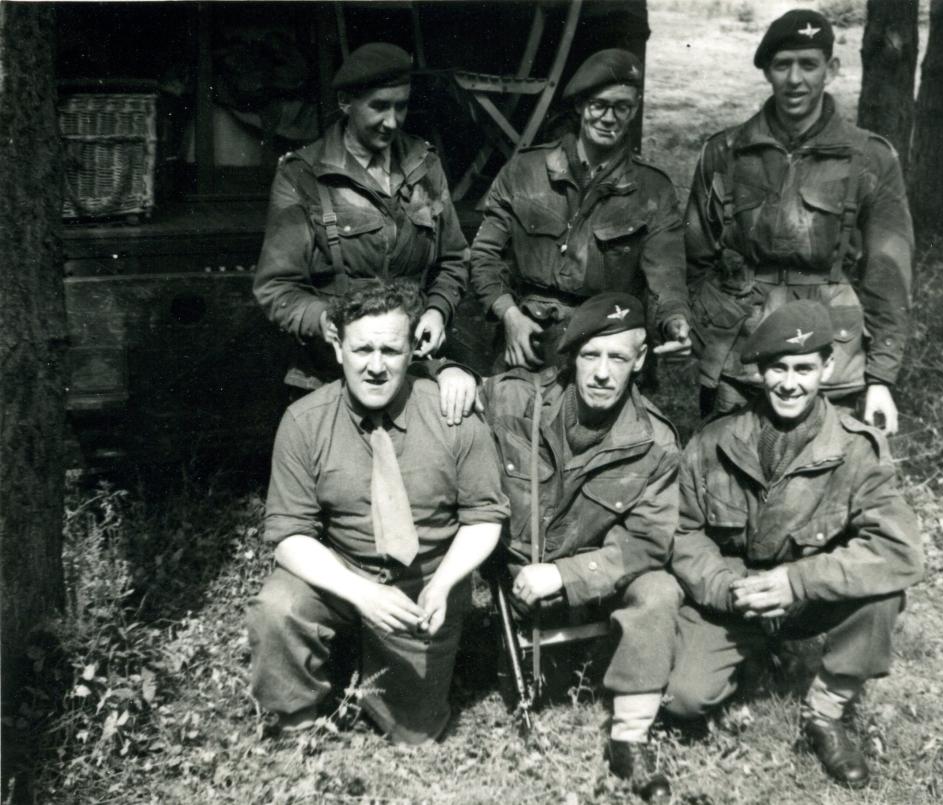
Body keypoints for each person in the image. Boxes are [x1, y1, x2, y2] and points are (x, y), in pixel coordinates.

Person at [663, 300, 924, 788]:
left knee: (883, 592)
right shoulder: (713, 441)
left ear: (827, 367)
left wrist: (797, 582)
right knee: (684, 700)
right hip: (735, 598)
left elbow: (899, 550)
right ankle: (756, 657)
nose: (789, 383)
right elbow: (681, 529)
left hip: (808, 602)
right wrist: (725, 586)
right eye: (777, 368)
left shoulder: (856, 447)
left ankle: (825, 713)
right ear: (760, 371)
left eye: (804, 368)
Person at [440, 292, 683, 801]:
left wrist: (566, 576)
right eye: (590, 355)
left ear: (640, 360)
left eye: (617, 358)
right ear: (571, 356)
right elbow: (443, 405)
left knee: (659, 589)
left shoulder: (655, 441)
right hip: (509, 562)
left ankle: (630, 739)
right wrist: (448, 371)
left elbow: (647, 539)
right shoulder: (514, 399)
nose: (601, 372)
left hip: (592, 575)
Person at [247, 280, 509, 745]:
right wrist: (362, 593)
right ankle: (296, 718)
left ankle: (370, 668)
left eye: (390, 350)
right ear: (338, 348)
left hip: (424, 583)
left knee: (415, 734)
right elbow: (290, 535)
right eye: (362, 348)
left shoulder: (455, 415)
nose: (375, 366)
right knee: (279, 606)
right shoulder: (305, 421)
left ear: (413, 351)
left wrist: (446, 583)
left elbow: (484, 517)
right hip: (343, 574)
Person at [683, 9, 914, 433]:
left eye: (808, 64)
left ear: (832, 69)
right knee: (727, 478)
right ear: (767, 72)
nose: (794, 80)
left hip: (830, 364)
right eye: (782, 65)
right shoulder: (725, 152)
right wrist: (708, 336)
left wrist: (881, 378)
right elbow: (695, 258)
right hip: (740, 358)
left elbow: (889, 273)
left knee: (821, 482)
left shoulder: (870, 158)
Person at [253, 42, 470, 394]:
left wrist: (437, 310)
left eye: (401, 106)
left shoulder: (424, 165)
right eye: (379, 107)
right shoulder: (304, 176)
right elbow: (276, 288)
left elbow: (454, 259)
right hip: (330, 374)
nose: (392, 121)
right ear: (345, 103)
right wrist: (323, 320)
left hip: (410, 368)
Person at [471, 48, 690, 372]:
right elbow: (484, 255)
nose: (609, 118)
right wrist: (509, 315)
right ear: (579, 105)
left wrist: (675, 320)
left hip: (608, 337)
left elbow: (667, 275)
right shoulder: (524, 170)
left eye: (622, 107)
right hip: (531, 338)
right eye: (599, 105)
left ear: (635, 110)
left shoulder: (652, 190)